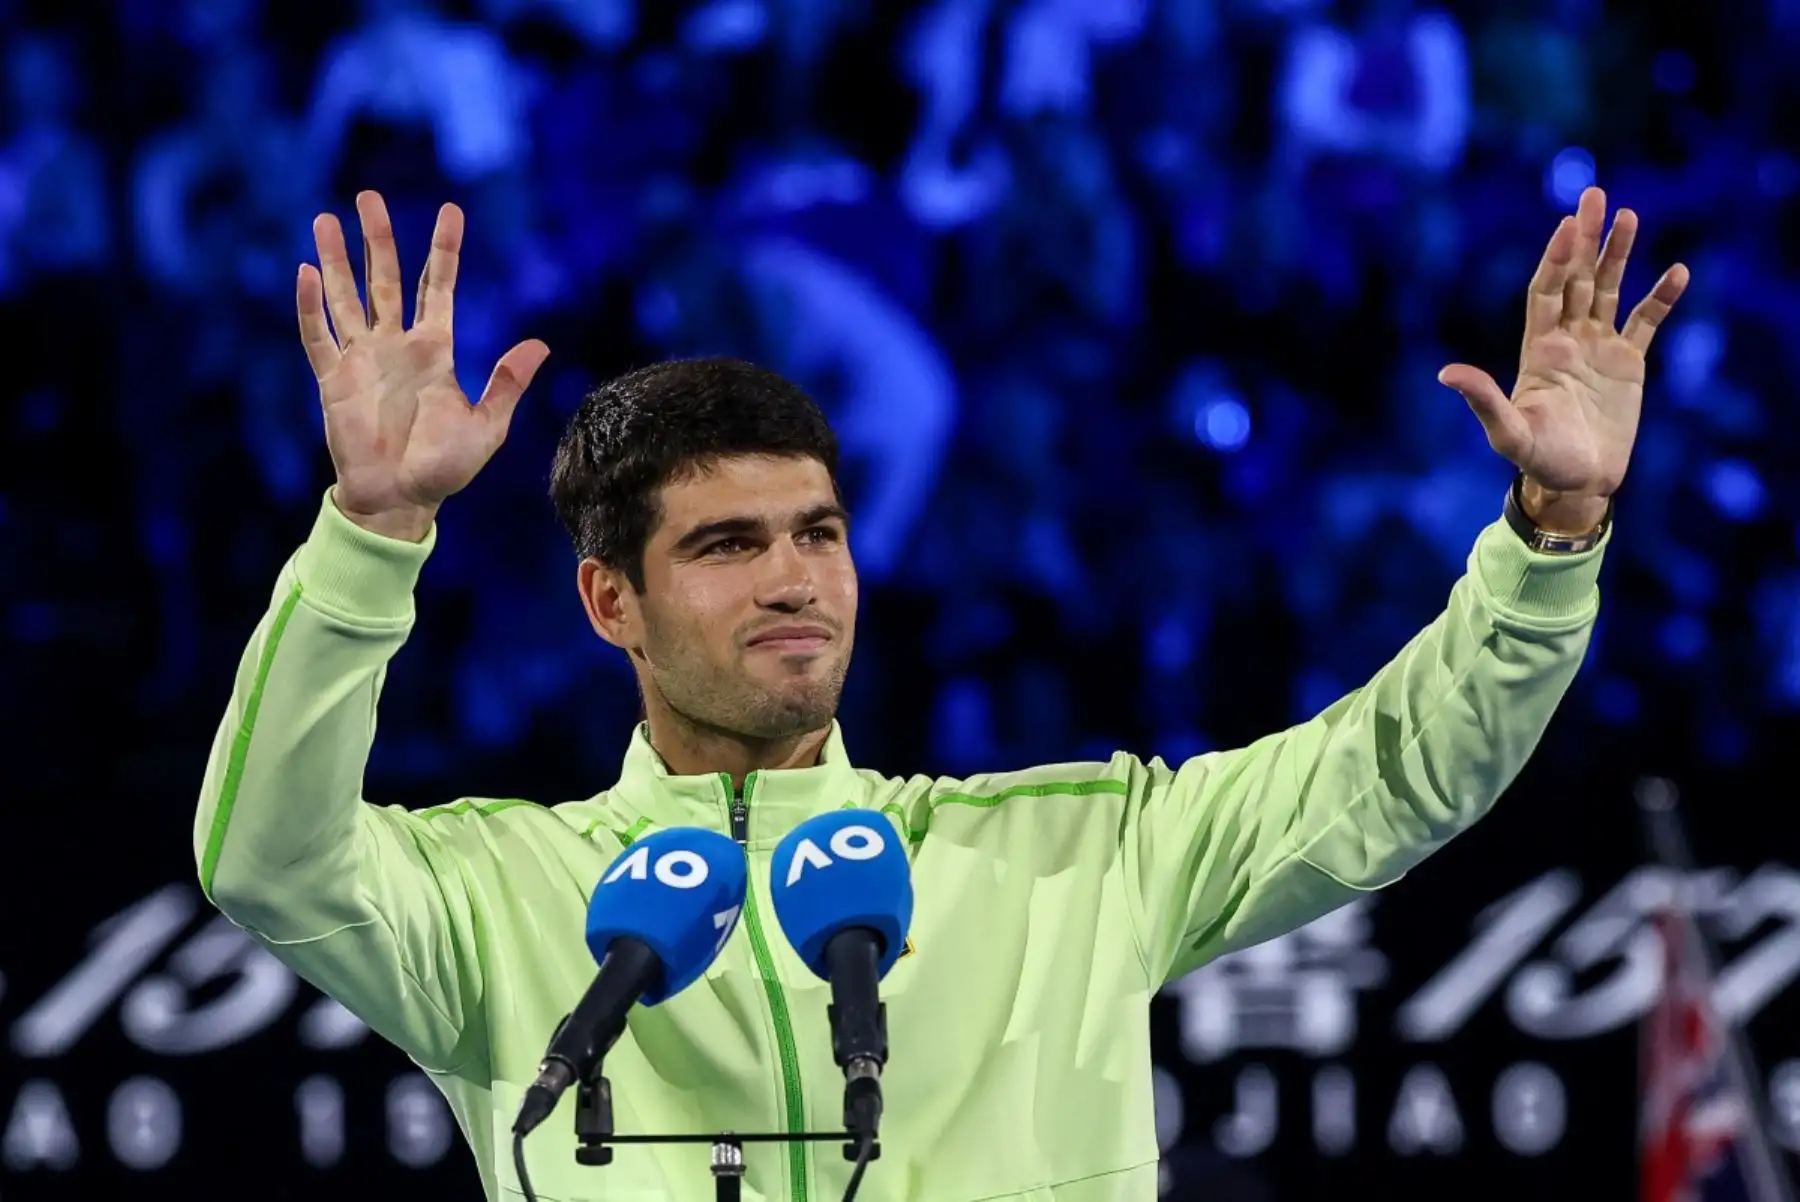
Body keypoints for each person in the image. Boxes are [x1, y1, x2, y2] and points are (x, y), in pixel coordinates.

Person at [194, 187, 1687, 1201]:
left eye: (819, 534)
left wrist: (1549, 542)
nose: (796, 579)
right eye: (726, 546)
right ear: (611, 602)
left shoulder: (1072, 854)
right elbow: (268, 856)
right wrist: (370, 534)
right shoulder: (501, 902)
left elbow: (1405, 771)